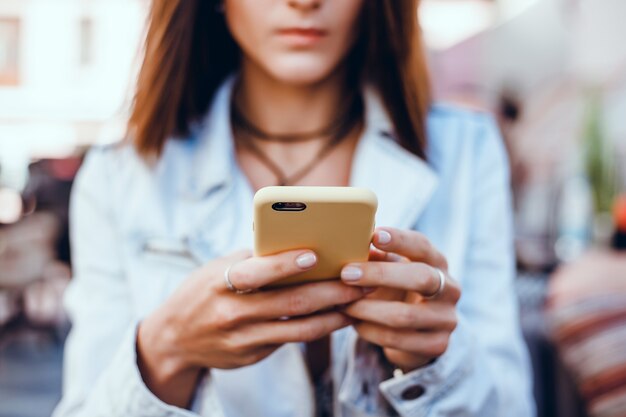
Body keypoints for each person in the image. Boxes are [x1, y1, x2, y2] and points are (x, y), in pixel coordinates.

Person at [52, 1, 535, 416]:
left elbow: (511, 404)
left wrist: (435, 365)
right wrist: (165, 349)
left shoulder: (468, 152)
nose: (303, 1)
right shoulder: (121, 175)